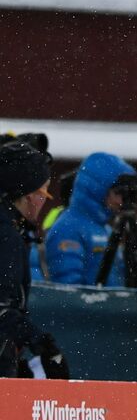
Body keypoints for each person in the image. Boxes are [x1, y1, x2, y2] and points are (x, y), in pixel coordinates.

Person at [0, 141, 68, 379]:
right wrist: (40, 343)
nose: (45, 201)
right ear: (29, 195)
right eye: (45, 192)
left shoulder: (12, 231)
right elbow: (2, 307)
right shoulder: (6, 236)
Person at [44, 151, 137, 286]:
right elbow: (69, 293)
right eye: (118, 193)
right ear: (97, 190)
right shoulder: (67, 229)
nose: (120, 201)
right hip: (92, 307)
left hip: (108, 306)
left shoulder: (105, 229)